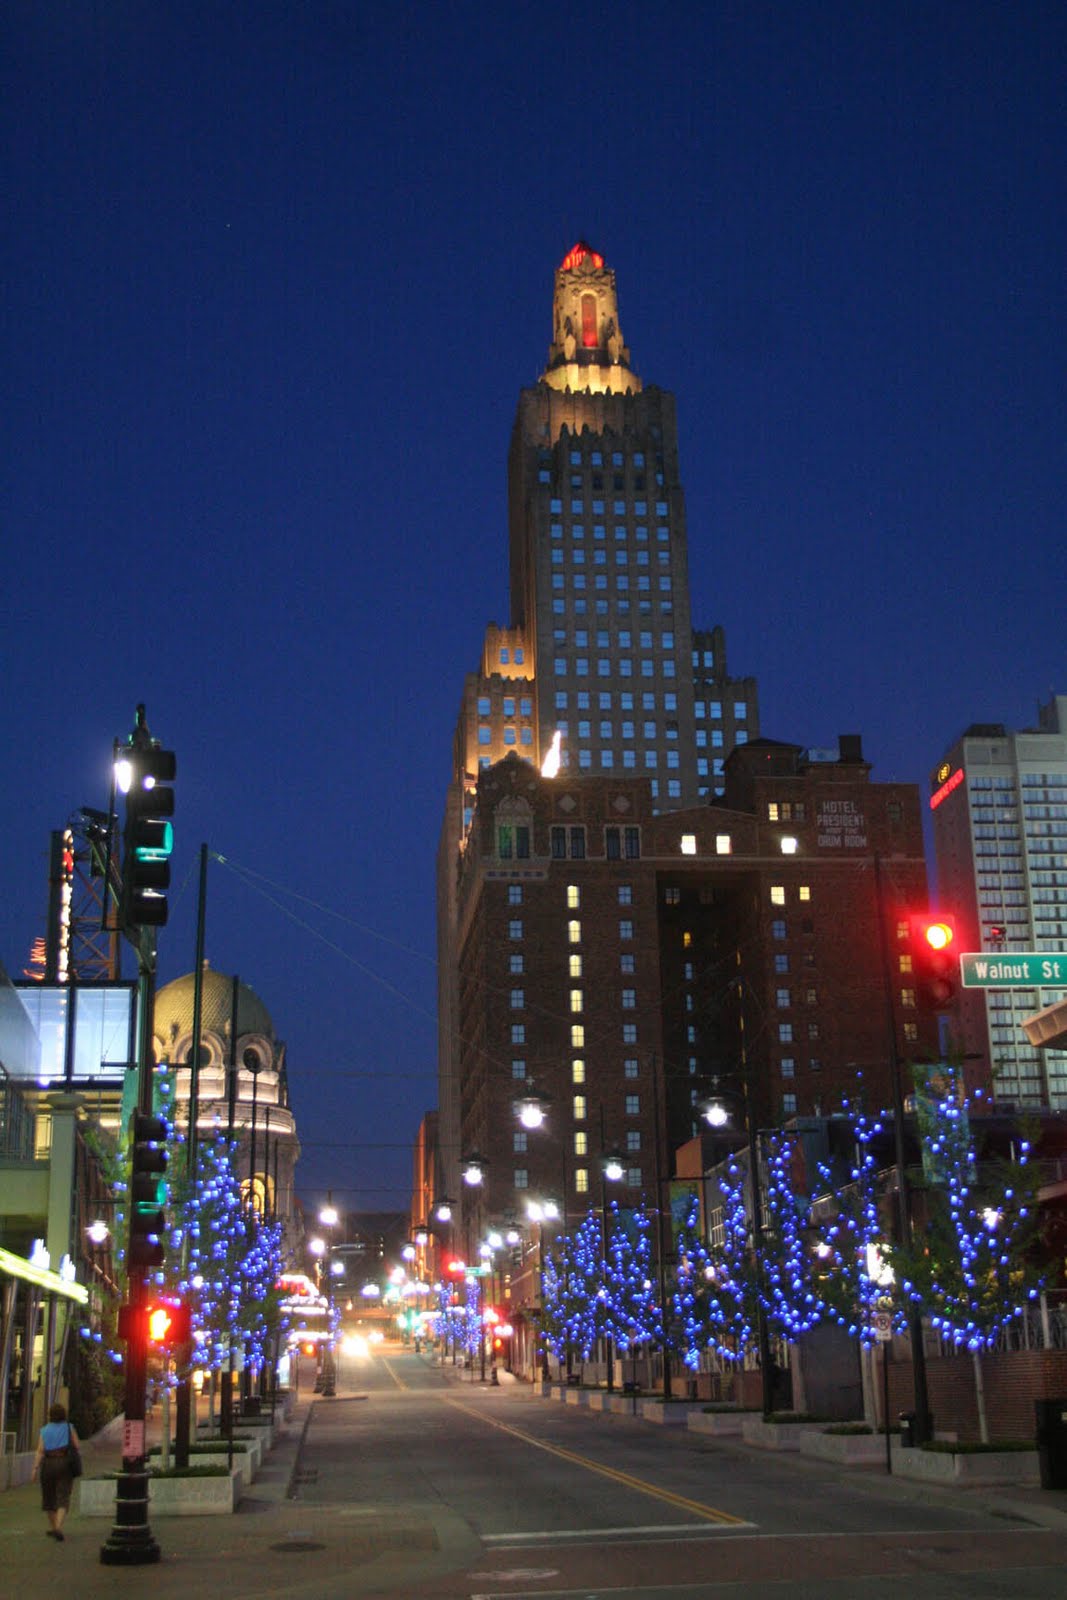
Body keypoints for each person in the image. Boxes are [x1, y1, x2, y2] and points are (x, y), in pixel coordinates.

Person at [32, 1401, 80, 1540]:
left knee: (48, 1497)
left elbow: (40, 1450)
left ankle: (54, 1527)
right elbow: (76, 1445)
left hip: (48, 1463)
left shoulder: (44, 1430)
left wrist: (35, 1468)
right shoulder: (68, 1427)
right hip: (65, 1463)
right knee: (63, 1496)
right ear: (64, 1415)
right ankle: (58, 1527)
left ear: (50, 1416)